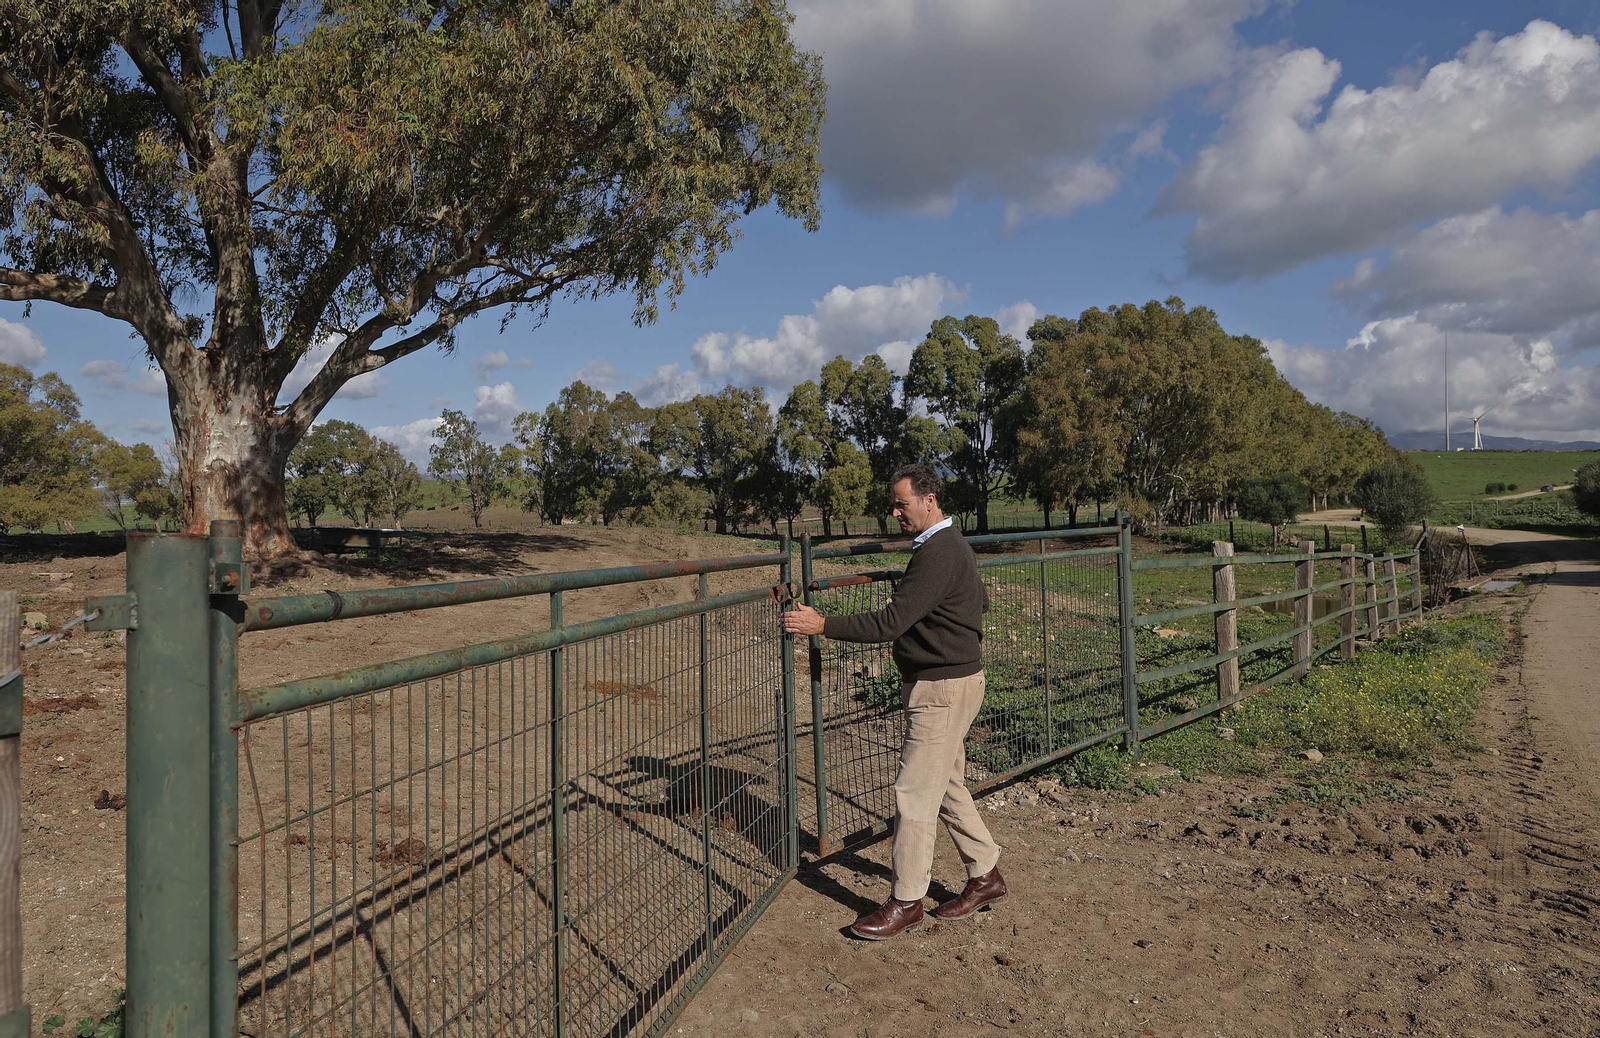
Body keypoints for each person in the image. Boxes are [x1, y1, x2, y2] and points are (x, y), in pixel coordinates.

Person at [782, 463, 1005, 940]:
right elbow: (977, 604)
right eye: (894, 504)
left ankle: (906, 901)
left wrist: (823, 625)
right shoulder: (947, 545)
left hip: (941, 689)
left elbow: (890, 623)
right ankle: (985, 874)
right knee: (945, 784)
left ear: (930, 501)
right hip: (957, 680)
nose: (895, 512)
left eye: (902, 503)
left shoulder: (938, 552)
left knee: (913, 795)